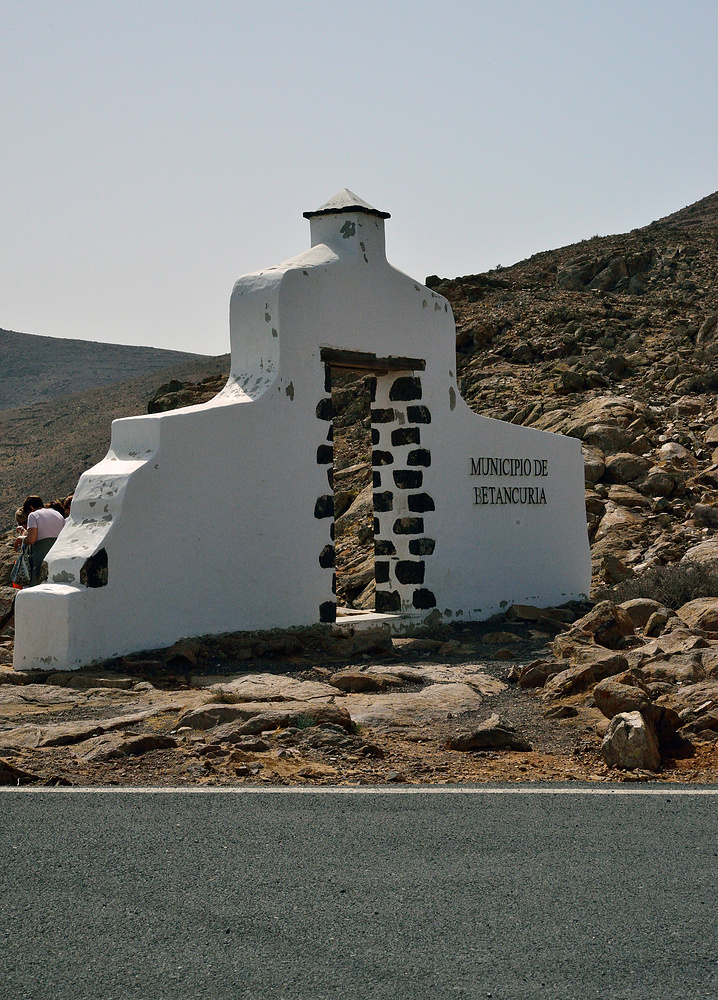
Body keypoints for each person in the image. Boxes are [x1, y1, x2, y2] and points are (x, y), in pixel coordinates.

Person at [14, 495, 66, 586]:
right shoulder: (57, 514)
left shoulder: (33, 515)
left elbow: (31, 539)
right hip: (58, 552)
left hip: (41, 554)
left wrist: (23, 540)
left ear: (31, 508)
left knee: (37, 584)